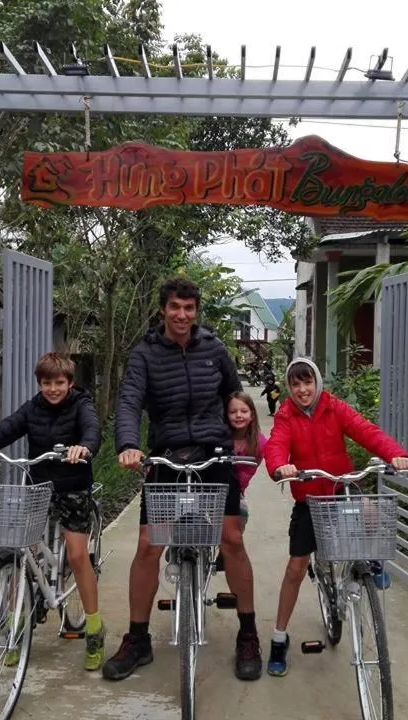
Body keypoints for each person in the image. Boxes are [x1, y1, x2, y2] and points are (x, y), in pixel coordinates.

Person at [103, 277, 263, 682]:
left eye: (189, 308)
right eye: (175, 307)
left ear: (197, 311)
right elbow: (129, 401)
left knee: (231, 539)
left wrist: (239, 435)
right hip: (166, 455)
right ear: (163, 309)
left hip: (213, 453)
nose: (182, 315)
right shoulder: (144, 354)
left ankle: (249, 633)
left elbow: (234, 394)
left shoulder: (214, 349)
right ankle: (137, 639)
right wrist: (127, 443)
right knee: (147, 545)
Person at [0, 352, 105, 672]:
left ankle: (94, 629)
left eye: (59, 383)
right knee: (19, 554)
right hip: (38, 488)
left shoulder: (81, 405)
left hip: (73, 486)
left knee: (78, 555)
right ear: (39, 384)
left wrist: (85, 447)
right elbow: (7, 428)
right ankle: (17, 629)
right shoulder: (33, 408)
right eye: (46, 383)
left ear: (70, 383)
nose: (52, 389)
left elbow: (93, 430)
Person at [263, 357, 408, 677]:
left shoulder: (334, 408)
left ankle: (371, 563)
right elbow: (276, 446)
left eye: (308, 382)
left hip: (341, 490)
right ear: (289, 387)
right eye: (296, 384)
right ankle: (279, 637)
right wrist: (280, 466)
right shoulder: (286, 416)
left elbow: (366, 431)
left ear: (317, 383)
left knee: (370, 510)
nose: (303, 389)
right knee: (296, 567)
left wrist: (395, 453)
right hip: (309, 499)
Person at [227, 390, 268, 532]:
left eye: (243, 411)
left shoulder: (259, 442)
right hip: (213, 488)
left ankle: (227, 551)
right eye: (233, 412)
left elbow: (249, 471)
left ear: (252, 415)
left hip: (236, 490)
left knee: (241, 513)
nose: (238, 415)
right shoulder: (220, 437)